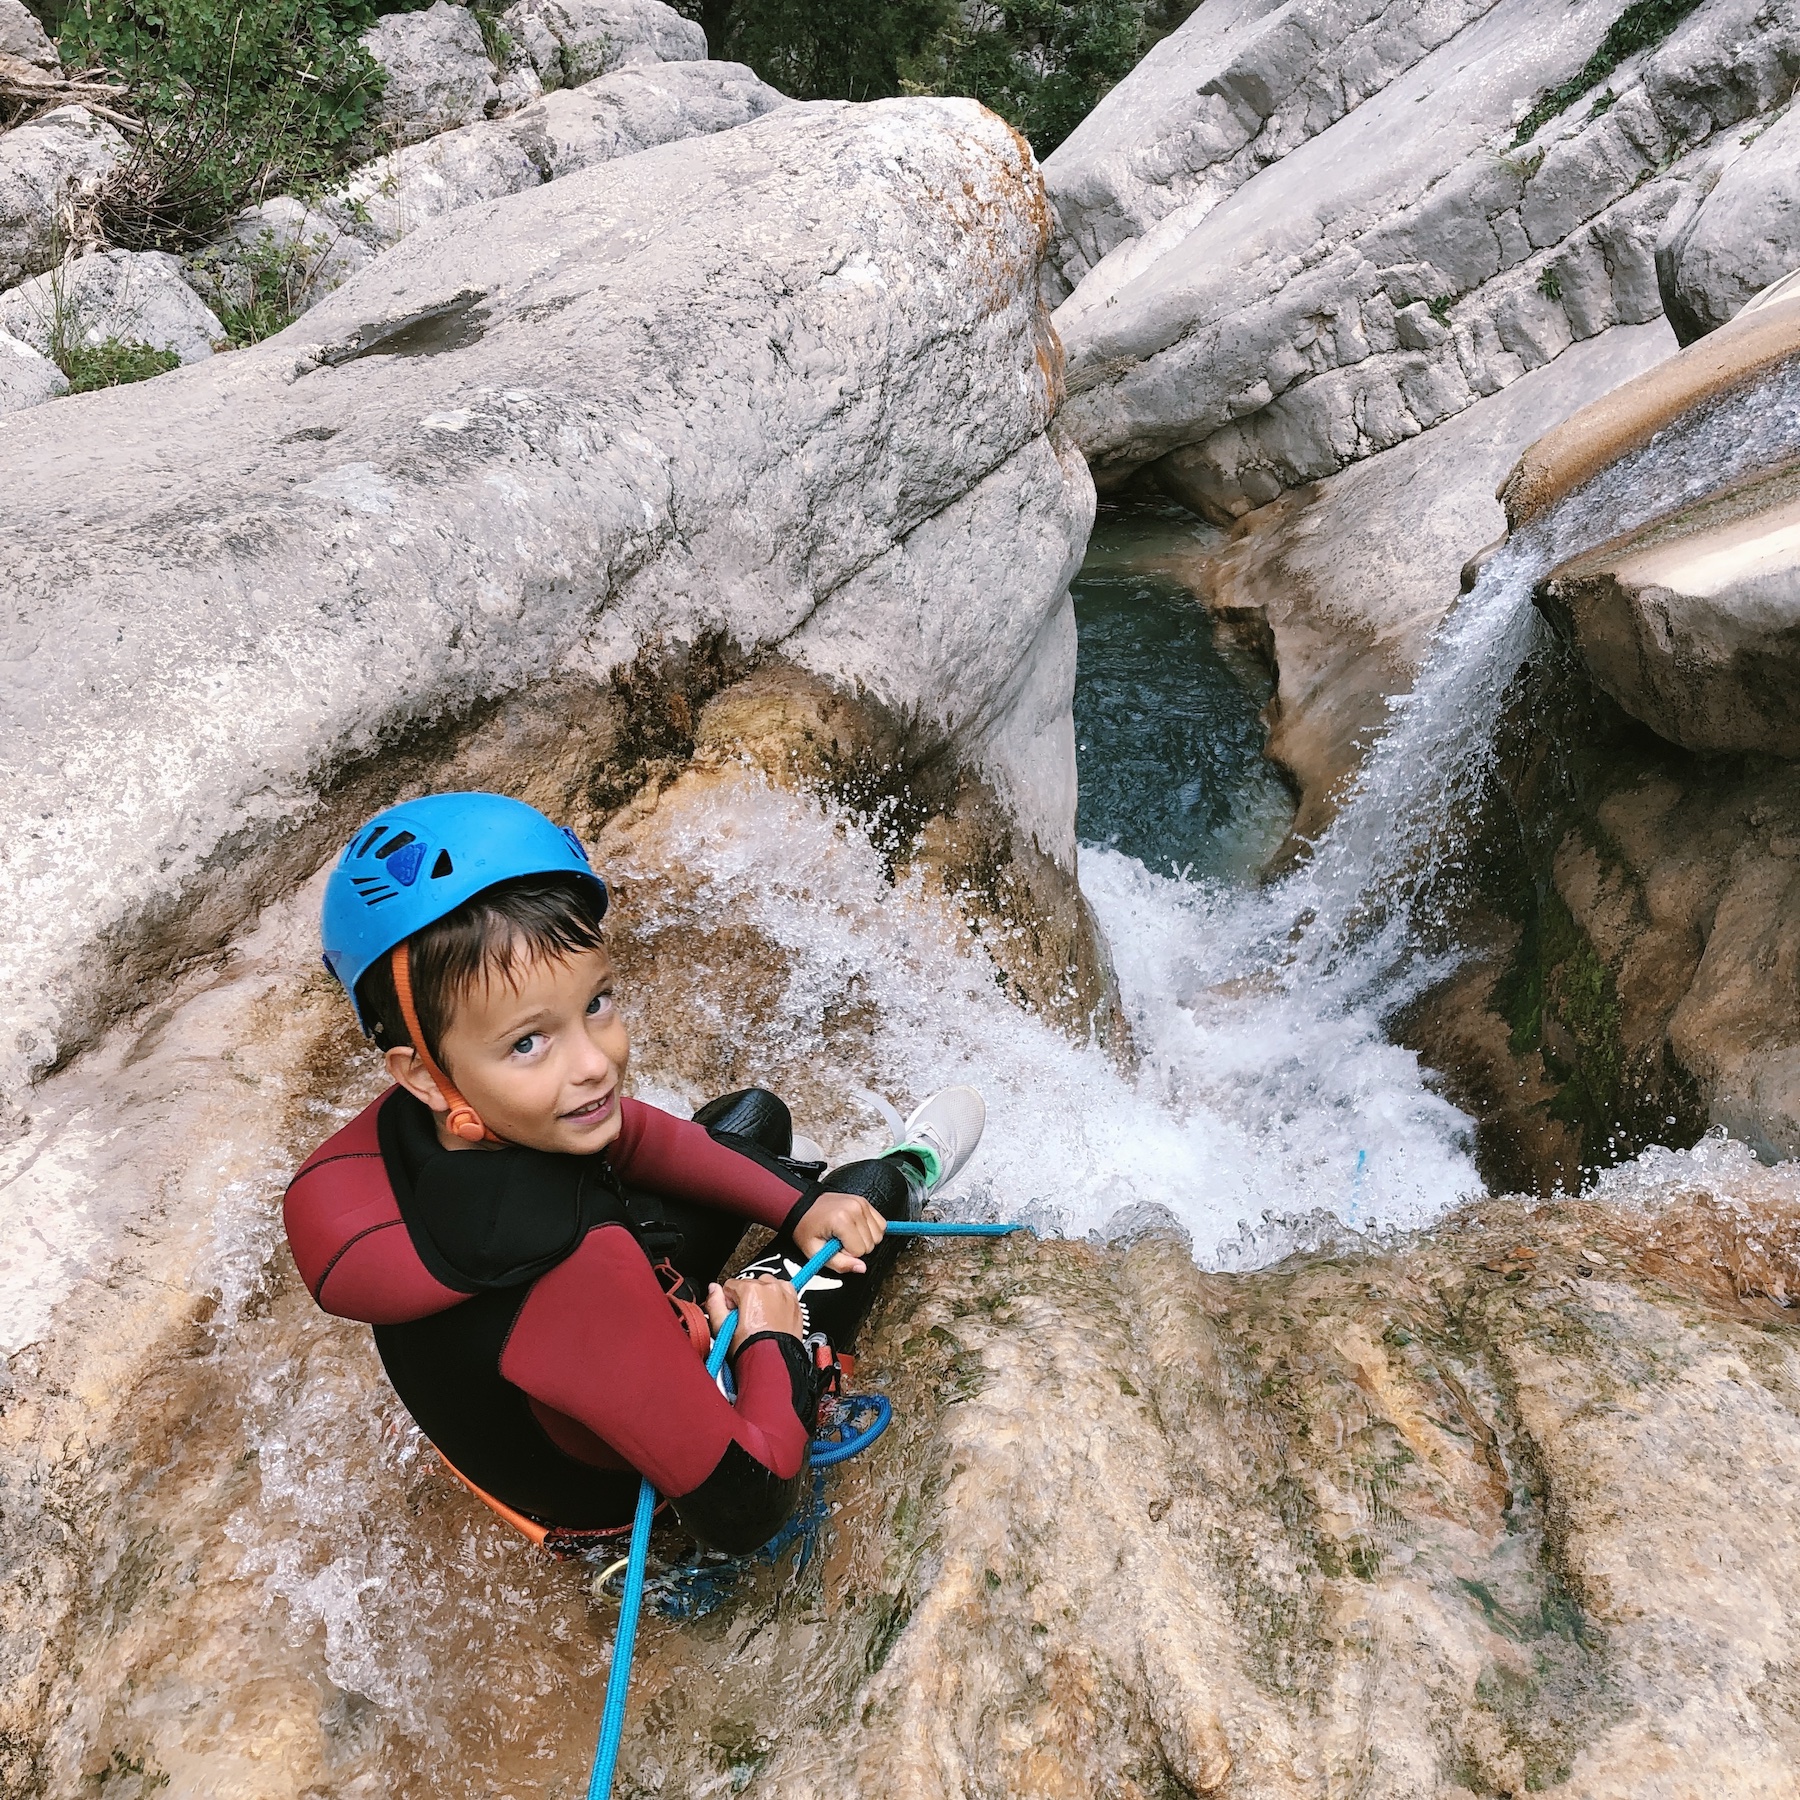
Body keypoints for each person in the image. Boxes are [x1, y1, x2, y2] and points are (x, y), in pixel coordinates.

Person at [283, 792, 984, 1556]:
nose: (594, 1063)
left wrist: (800, 1205)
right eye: (528, 1043)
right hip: (618, 1506)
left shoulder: (411, 1123)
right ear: (420, 1071)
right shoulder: (578, 1273)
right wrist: (768, 1343)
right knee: (866, 1191)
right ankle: (912, 1168)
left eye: (597, 1003)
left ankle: (791, 1211)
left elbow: (643, 1136)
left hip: (537, 1406)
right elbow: (748, 1504)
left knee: (755, 1121)